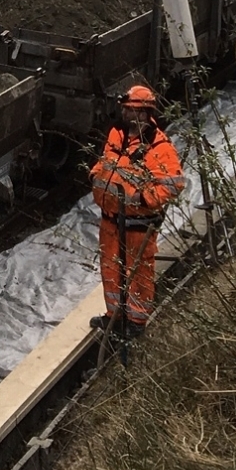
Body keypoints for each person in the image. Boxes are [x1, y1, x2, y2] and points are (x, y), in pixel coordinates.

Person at [89, 84, 183, 337]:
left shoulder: (159, 147)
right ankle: (114, 317)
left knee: (139, 274)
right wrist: (97, 175)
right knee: (111, 270)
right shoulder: (116, 136)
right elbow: (106, 163)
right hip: (110, 221)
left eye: (135, 111)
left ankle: (136, 323)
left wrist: (142, 199)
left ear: (146, 113)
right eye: (127, 110)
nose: (129, 115)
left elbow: (173, 184)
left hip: (136, 226)